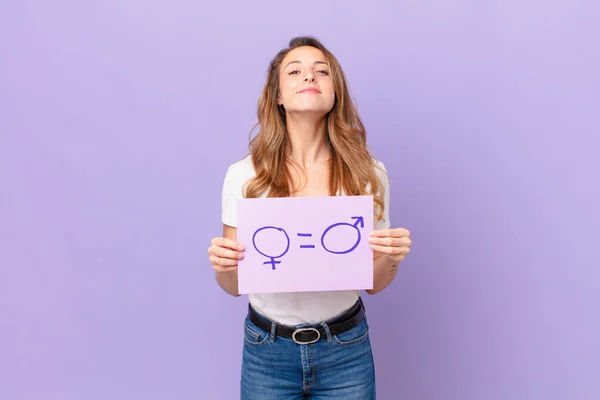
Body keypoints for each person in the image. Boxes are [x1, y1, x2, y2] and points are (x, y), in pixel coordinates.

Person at [207, 36, 412, 399]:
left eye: (322, 71)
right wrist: (223, 265)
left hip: (345, 347)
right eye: (295, 71)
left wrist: (391, 257)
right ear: (278, 96)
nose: (309, 77)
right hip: (267, 349)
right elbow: (234, 285)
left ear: (336, 93)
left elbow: (375, 283)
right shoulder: (244, 176)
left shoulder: (368, 174)